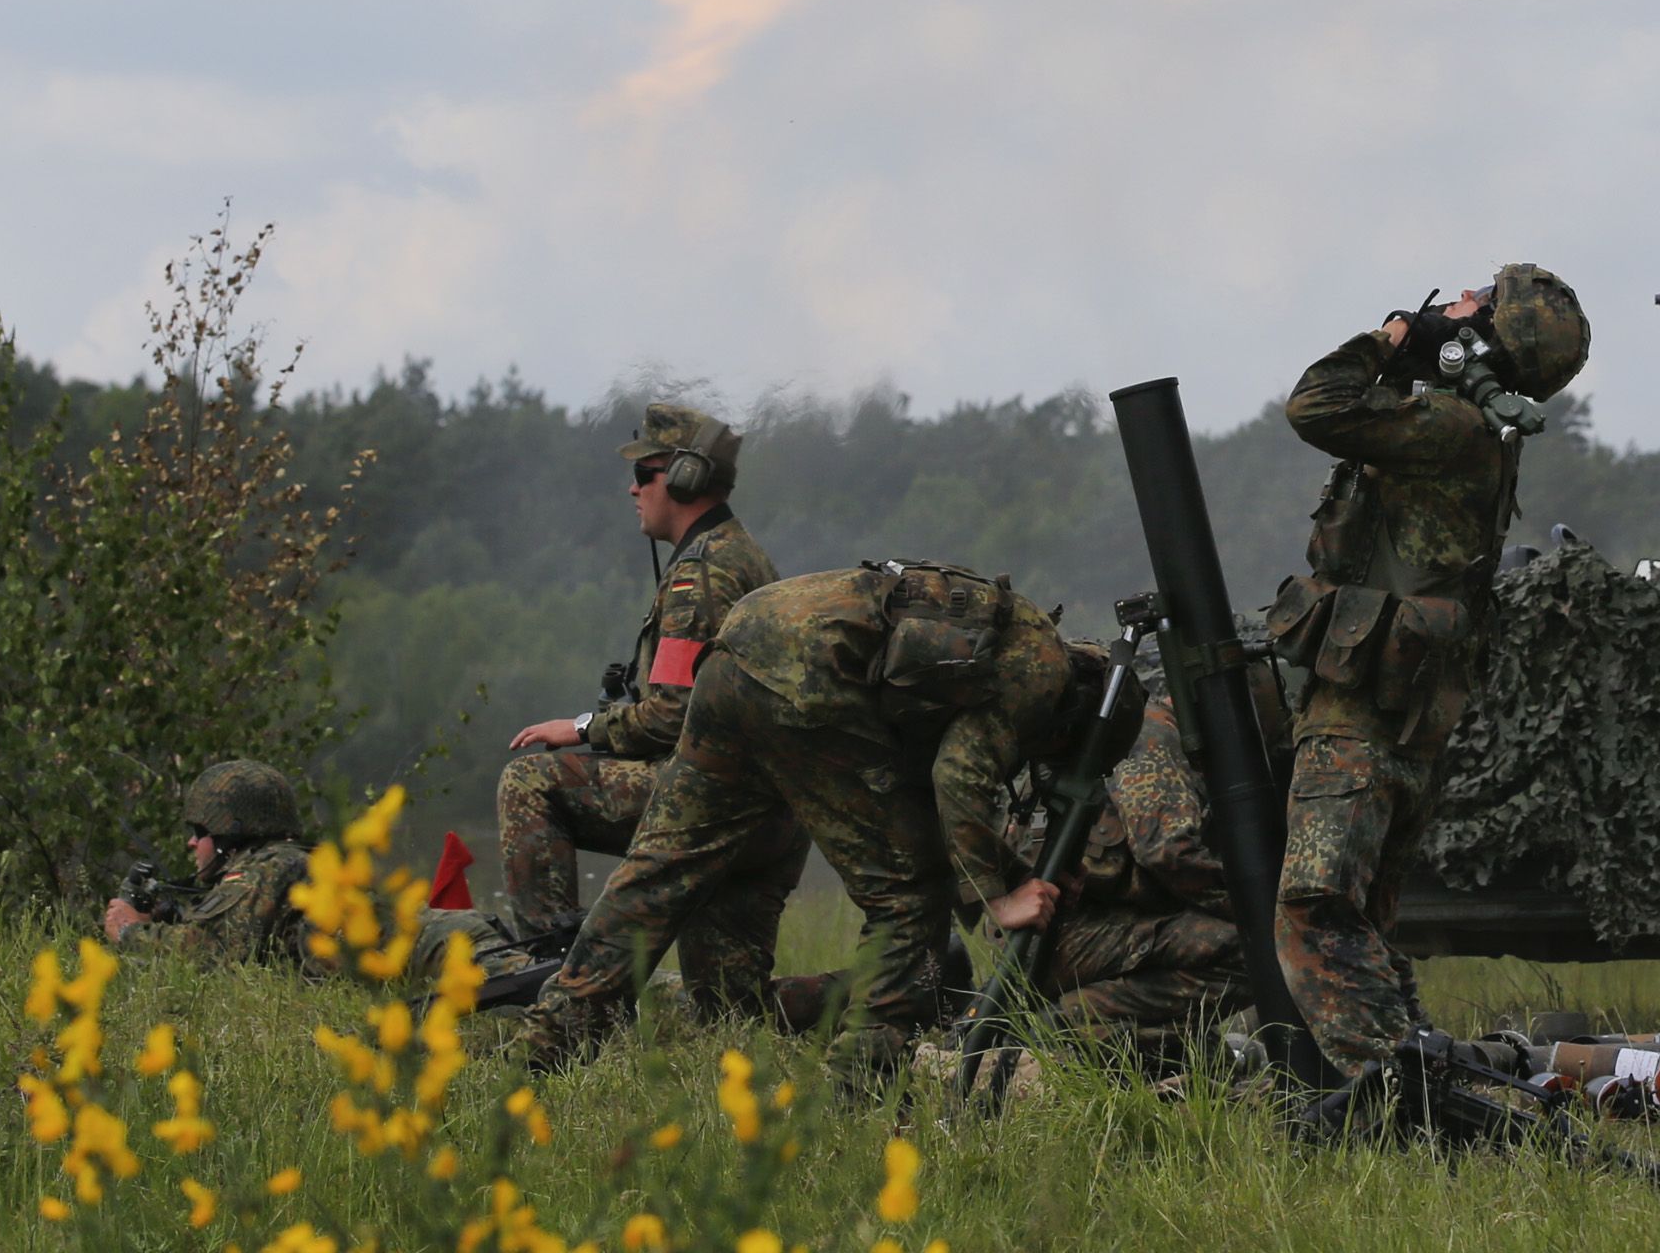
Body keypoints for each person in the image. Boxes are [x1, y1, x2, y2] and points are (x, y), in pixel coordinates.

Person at [522, 560, 1110, 1085]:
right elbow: (957, 779)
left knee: (655, 875)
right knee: (909, 894)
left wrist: (1007, 870)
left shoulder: (1015, 640)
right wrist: (1000, 899)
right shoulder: (1042, 672)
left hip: (739, 655)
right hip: (806, 681)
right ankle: (860, 1084)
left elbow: (931, 790)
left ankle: (543, 1049)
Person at [1267, 265, 1589, 1089]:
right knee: (1364, 920)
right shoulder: (1478, 430)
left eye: (1475, 300)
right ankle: (1418, 1076)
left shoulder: (1448, 427)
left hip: (1364, 719)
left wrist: (1389, 338)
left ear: (1490, 338)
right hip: (1405, 718)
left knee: (1316, 910)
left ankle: (1405, 1093)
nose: (1455, 301)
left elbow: (1314, 404)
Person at [491, 402, 803, 1013]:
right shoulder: (738, 556)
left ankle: (552, 979)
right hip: (771, 812)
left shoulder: (702, 575)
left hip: (713, 803)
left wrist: (581, 727)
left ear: (685, 479)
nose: (633, 488)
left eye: (646, 474)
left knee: (530, 783)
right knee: (728, 1010)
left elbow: (671, 713)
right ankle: (906, 989)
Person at [1029, 692, 1248, 1049]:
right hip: (1063, 936)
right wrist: (1252, 907)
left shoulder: (1125, 729)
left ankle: (1166, 1043)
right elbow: (1168, 852)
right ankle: (1074, 1020)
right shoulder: (1153, 732)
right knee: (1254, 946)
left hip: (1055, 932)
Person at [108, 759, 313, 966]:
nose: (191, 842)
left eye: (200, 833)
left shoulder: (267, 868)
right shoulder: (289, 863)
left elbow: (210, 949)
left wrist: (129, 930)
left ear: (228, 835)